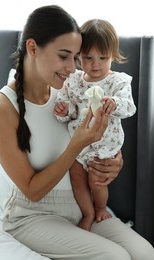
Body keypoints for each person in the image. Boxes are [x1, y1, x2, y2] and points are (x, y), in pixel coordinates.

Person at [0, 5, 154, 260]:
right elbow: (32, 190)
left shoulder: (69, 91)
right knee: (114, 257)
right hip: (32, 215)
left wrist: (114, 162)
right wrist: (77, 143)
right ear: (32, 48)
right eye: (64, 56)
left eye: (76, 58)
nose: (73, 68)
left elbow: (98, 143)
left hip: (78, 203)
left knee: (145, 252)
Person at [54, 18, 137, 231]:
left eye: (103, 57)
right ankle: (88, 212)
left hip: (104, 145)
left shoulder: (117, 81)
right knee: (77, 176)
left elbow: (129, 107)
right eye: (88, 57)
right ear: (79, 56)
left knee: (97, 180)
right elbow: (70, 108)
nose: (95, 64)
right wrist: (64, 111)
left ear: (113, 56)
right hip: (79, 144)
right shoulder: (74, 81)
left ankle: (100, 208)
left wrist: (114, 103)